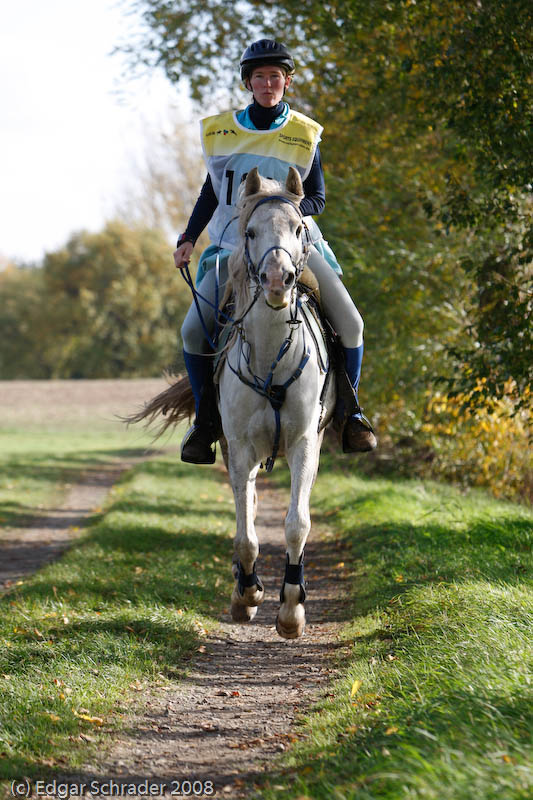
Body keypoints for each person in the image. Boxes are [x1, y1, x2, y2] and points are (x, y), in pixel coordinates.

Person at [174, 38, 377, 464]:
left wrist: (282, 208)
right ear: (249, 82)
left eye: (276, 77)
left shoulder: (305, 133)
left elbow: (317, 197)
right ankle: (206, 423)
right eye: (260, 77)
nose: (268, 83)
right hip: (235, 248)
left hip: (295, 248)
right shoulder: (221, 131)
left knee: (353, 323)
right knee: (193, 331)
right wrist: (189, 237)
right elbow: (211, 193)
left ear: (286, 82)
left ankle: (350, 413)